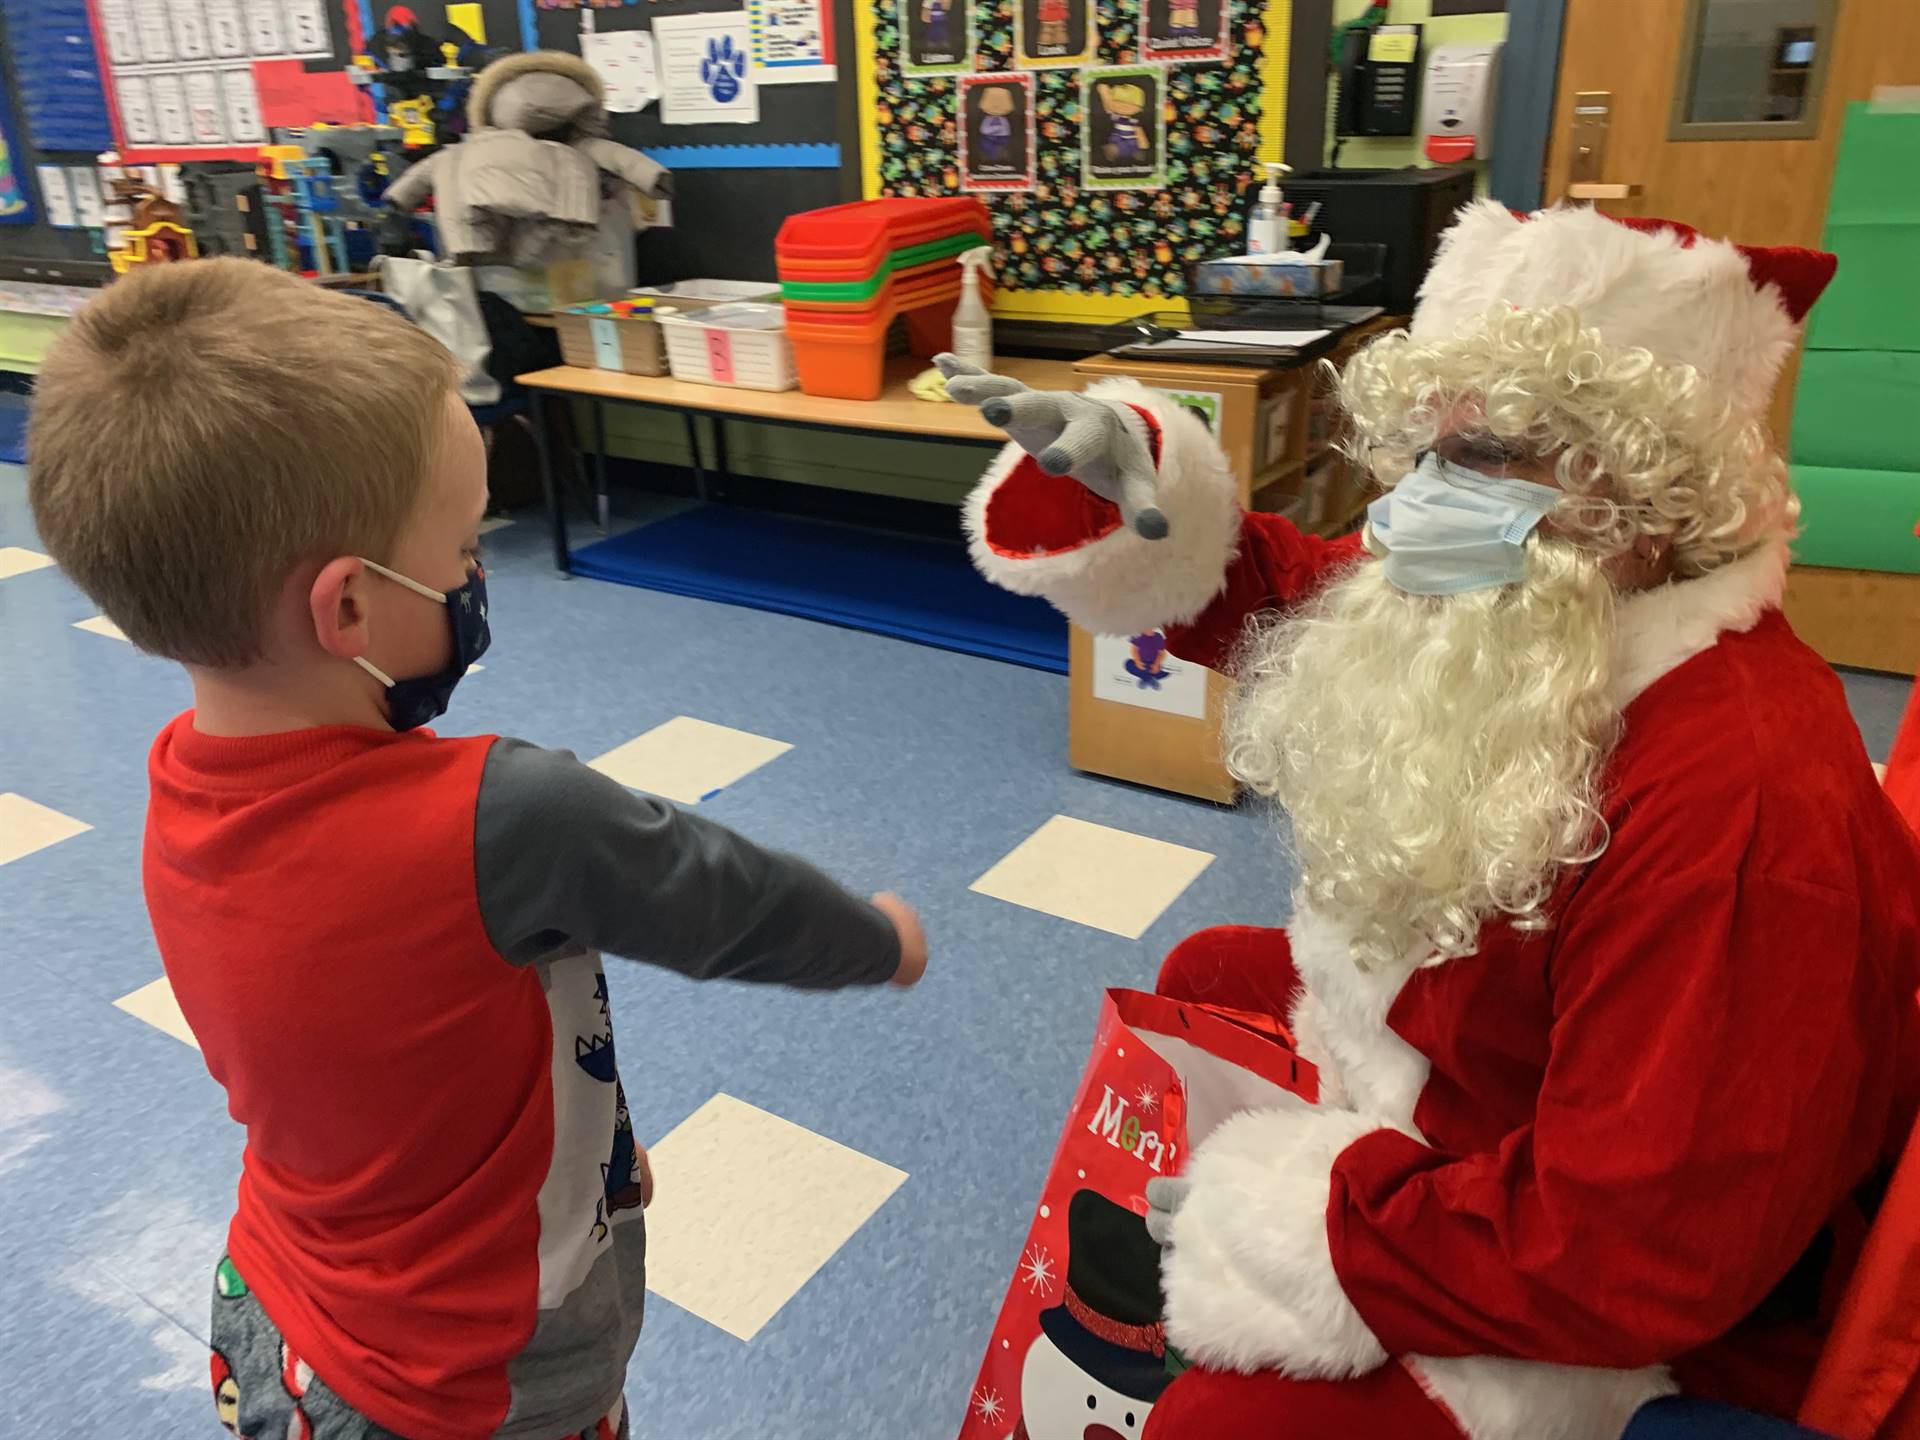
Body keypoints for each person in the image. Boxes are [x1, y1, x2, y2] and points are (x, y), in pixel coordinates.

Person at [943, 200, 1920, 1440]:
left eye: (1488, 456)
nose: (1412, 511)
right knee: (1210, 974)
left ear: (1652, 489)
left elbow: (1632, 1246)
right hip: (1498, 1076)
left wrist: (1299, 1220)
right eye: (1423, 454)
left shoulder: (1742, 798)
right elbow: (1298, 594)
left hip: (1627, 1309)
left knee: (1219, 1427)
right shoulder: (1545, 586)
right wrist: (1130, 478)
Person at [25, 259, 928, 1440]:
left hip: (276, 1317)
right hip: (479, 1388)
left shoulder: (181, 782)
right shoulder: (505, 816)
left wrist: (594, 1158)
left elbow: (377, 1048)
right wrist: (879, 939)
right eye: (460, 554)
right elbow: (724, 901)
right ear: (344, 608)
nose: (473, 576)